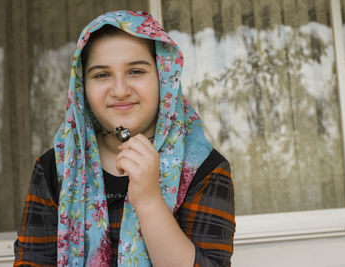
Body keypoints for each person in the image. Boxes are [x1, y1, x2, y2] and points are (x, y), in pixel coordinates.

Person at [14, 10, 235, 267]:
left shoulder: (204, 169)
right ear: (82, 87)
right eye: (101, 75)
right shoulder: (57, 167)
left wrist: (150, 200)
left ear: (163, 78)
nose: (119, 91)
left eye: (136, 71)